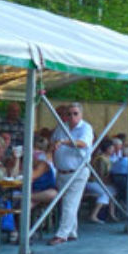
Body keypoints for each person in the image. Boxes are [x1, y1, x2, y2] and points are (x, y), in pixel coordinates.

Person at [48, 103, 94, 246]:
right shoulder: (61, 128)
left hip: (77, 172)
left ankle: (62, 234)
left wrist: (63, 142)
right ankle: (72, 231)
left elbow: (83, 143)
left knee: (70, 203)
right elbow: (53, 143)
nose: (72, 117)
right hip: (62, 171)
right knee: (67, 203)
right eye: (69, 114)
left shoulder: (86, 127)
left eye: (75, 113)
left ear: (81, 114)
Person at [84, 138, 118, 223]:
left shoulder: (107, 158)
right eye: (111, 148)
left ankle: (111, 214)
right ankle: (93, 215)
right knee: (105, 193)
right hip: (92, 182)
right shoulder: (101, 159)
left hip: (99, 182)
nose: (113, 149)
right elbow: (101, 175)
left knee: (112, 191)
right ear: (107, 149)